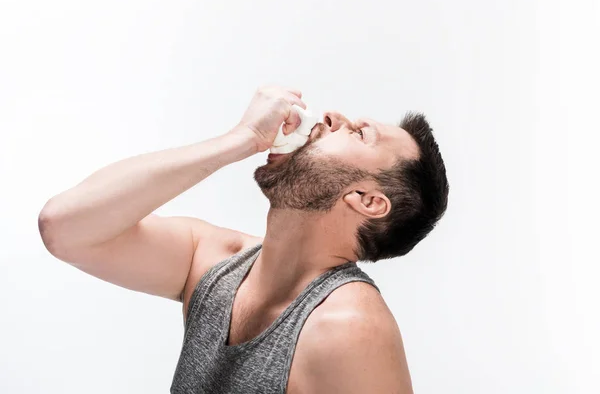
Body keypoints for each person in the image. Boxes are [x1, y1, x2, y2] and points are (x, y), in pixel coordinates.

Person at [38, 86, 449, 393]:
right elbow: (65, 227)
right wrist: (241, 139)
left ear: (367, 201)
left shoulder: (349, 327)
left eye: (360, 134)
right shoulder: (215, 261)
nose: (335, 116)